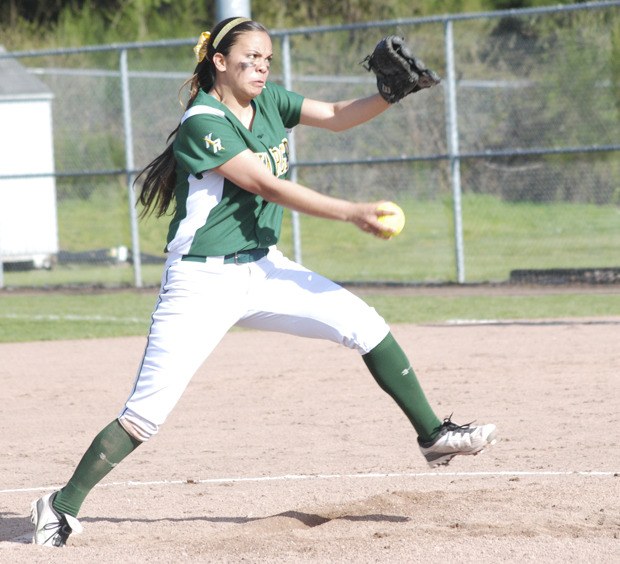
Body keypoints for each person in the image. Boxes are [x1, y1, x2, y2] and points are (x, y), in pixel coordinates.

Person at [31, 17, 497, 548]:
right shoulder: (202, 122)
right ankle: (60, 506)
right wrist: (351, 212)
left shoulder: (270, 101)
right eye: (250, 57)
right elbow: (264, 185)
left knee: (363, 323)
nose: (261, 66)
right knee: (146, 414)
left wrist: (389, 95)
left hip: (263, 266)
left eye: (267, 59)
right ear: (219, 62)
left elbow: (339, 116)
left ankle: (434, 435)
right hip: (201, 283)